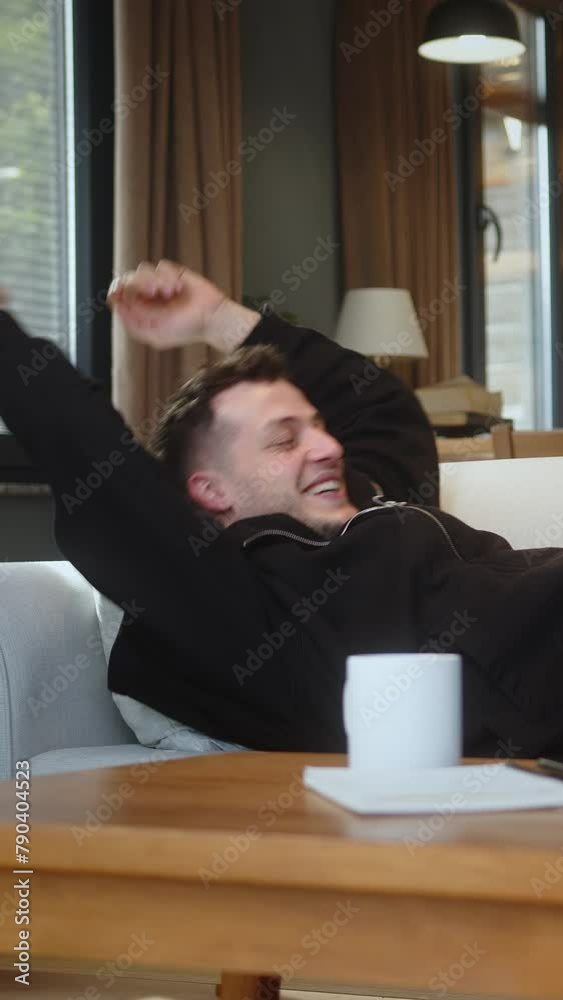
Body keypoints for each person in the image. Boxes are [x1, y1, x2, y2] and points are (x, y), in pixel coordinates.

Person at [0, 260, 562, 760]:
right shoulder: (244, 605)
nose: (330, 446)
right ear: (210, 491)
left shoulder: (366, 499)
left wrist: (217, 318)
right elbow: (103, 469)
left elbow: (381, 406)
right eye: (284, 440)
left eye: (318, 426)